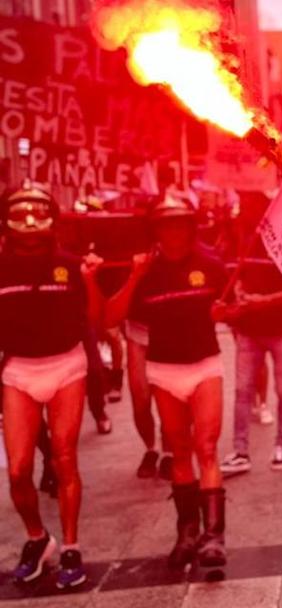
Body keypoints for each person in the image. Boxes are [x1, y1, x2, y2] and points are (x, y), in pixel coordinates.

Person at [104, 192, 229, 571]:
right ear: (156, 230)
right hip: (163, 370)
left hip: (205, 365)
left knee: (206, 447)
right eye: (165, 225)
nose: (173, 232)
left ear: (191, 227)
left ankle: (215, 537)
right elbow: (111, 317)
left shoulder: (210, 263)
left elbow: (233, 307)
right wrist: (135, 276)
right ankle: (187, 531)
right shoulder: (145, 270)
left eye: (179, 223)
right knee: (179, 449)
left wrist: (229, 311)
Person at [0, 182, 103, 588]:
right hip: (19, 371)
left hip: (66, 366)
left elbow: (95, 320)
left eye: (36, 211)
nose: (28, 220)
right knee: (19, 470)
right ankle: (37, 539)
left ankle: (72, 548)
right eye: (19, 212)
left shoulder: (72, 264)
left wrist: (92, 279)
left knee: (64, 459)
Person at [219, 191, 282, 474]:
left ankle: (281, 446)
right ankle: (240, 450)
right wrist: (237, 298)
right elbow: (231, 278)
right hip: (249, 330)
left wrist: (261, 302)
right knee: (243, 391)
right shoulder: (241, 242)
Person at [125, 302, 174, 479]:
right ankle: (151, 449)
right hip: (138, 333)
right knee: (140, 401)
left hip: (169, 329)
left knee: (169, 397)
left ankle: (169, 454)